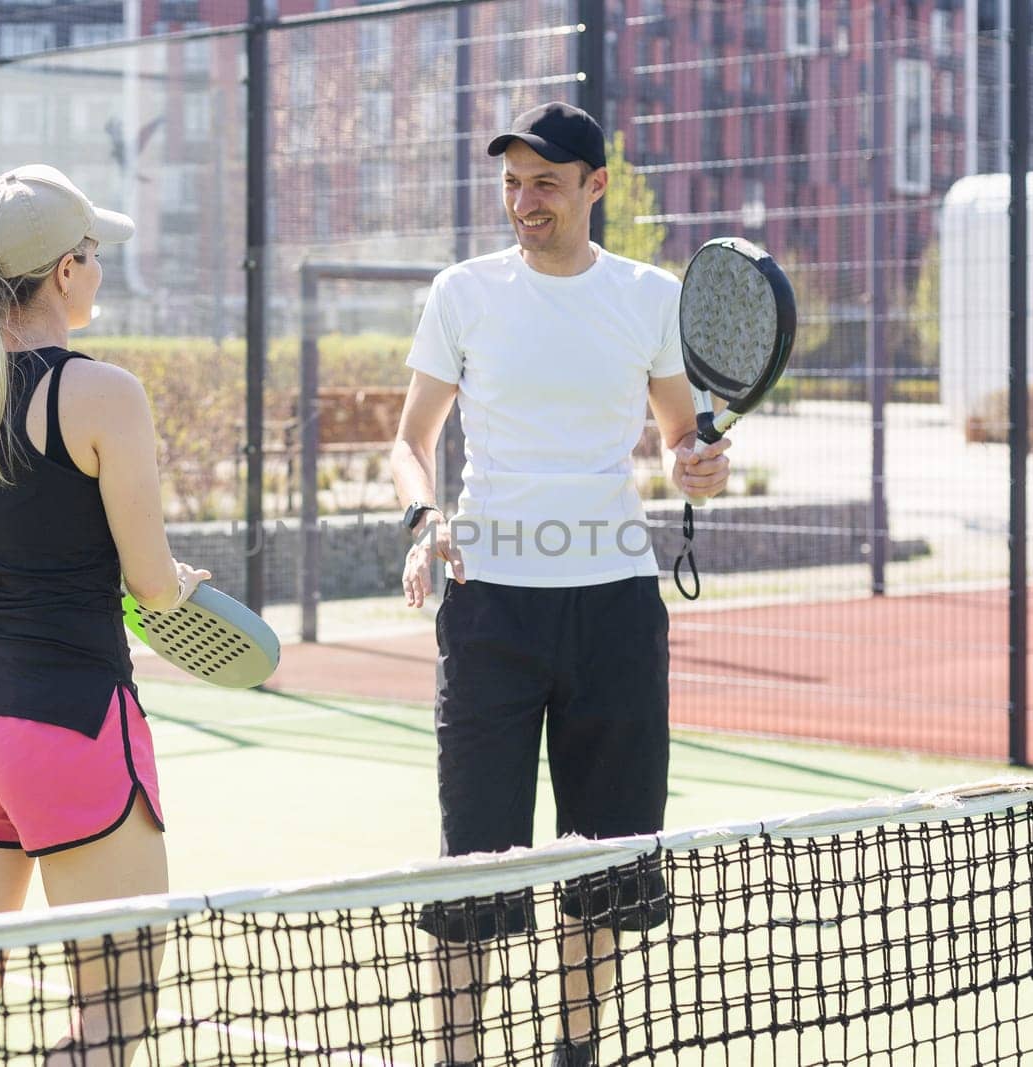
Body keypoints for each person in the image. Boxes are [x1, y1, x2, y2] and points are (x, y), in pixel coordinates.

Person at [389, 102, 732, 1067]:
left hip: (616, 607)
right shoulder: (462, 292)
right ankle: (459, 1056)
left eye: (545, 181)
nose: (523, 199)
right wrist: (427, 519)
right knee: (475, 866)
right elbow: (412, 441)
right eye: (511, 181)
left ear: (595, 186)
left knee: (607, 863)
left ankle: (575, 1053)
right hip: (490, 604)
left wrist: (696, 467)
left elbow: (678, 439)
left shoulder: (648, 297)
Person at [0, 164, 207, 1064]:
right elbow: (150, 586)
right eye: (94, 254)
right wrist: (174, 576)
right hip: (70, 722)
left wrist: (18, 529)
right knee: (116, 1016)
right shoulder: (106, 393)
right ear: (64, 272)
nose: (100, 270)